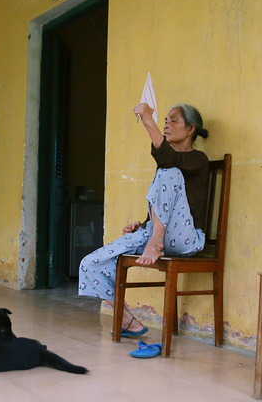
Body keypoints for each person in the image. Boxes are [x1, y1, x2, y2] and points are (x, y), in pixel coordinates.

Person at [78, 102, 209, 336]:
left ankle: (155, 241)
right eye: (164, 120)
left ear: (191, 130)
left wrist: (148, 120)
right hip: (155, 234)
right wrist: (144, 222)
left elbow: (169, 162)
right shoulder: (169, 164)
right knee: (90, 263)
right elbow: (166, 200)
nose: (166, 124)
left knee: (167, 170)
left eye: (173, 120)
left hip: (186, 240)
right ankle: (129, 322)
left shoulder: (198, 159)